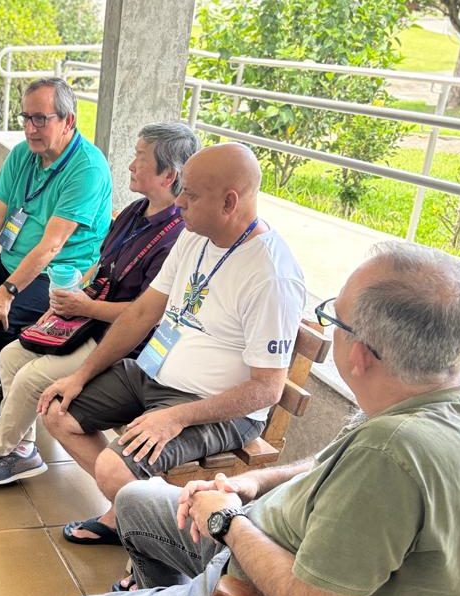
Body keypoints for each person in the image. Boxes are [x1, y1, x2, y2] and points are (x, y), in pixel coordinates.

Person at [37, 242, 460, 596]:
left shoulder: (392, 454)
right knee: (138, 497)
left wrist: (226, 523)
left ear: (361, 355)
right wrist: (251, 485)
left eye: (335, 317)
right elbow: (328, 463)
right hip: (263, 544)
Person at [37, 143, 305, 546]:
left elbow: (267, 388)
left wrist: (177, 417)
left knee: (114, 469)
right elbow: (142, 313)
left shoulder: (271, 276)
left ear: (230, 201)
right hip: (152, 373)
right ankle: (132, 514)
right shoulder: (195, 235)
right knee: (57, 409)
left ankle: (153, 538)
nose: (178, 202)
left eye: (191, 195)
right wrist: (81, 375)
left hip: (213, 406)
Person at [0, 123, 198, 485]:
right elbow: (102, 266)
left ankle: (0, 448)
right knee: (11, 355)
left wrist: (83, 307)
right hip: (91, 321)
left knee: (30, 378)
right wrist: (70, 300)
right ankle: (23, 450)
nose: (130, 165)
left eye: (140, 158)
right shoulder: (135, 212)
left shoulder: (177, 237)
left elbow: (147, 315)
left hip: (124, 343)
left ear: (169, 174)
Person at [0, 77, 111, 422]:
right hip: (13, 261)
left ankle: (14, 394)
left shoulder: (86, 168)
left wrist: (6, 292)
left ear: (68, 120)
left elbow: (51, 245)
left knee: (5, 317)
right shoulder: (22, 155)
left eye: (40, 119)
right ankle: (9, 380)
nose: (30, 129)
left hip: (60, 275)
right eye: (25, 118)